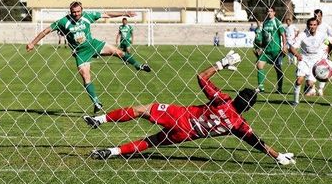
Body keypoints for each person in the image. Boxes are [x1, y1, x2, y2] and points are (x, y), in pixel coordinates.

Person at [83, 51, 296, 166]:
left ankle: (100, 120)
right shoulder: (238, 124)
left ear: (238, 95)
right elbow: (257, 143)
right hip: (185, 135)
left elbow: (200, 77)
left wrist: (221, 64)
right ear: (248, 109)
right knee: (151, 142)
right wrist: (277, 155)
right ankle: (112, 152)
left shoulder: (222, 100)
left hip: (180, 115)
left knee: (142, 109)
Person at [26, 1, 151, 114]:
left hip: (93, 45)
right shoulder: (63, 22)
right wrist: (33, 43)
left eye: (78, 11)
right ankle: (96, 102)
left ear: (82, 10)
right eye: (74, 12)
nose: (76, 14)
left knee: (118, 52)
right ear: (70, 12)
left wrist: (125, 13)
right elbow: (46, 31)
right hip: (81, 53)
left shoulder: (87, 16)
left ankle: (138, 65)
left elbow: (106, 14)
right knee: (86, 77)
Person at [289, 17, 332, 106]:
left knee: (310, 83)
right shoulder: (302, 35)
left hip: (315, 62)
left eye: (314, 25)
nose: (312, 26)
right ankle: (295, 101)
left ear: (317, 26)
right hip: (304, 60)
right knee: (299, 81)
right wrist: (297, 55)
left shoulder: (322, 35)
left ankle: (309, 86)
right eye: (310, 25)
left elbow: (329, 44)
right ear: (307, 25)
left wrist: (328, 54)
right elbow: (292, 48)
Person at [255, 7, 287, 93]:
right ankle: (261, 87)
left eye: (271, 11)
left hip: (276, 50)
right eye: (268, 11)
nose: (269, 13)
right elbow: (262, 37)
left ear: (274, 13)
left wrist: (284, 46)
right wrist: (260, 48)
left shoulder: (277, 22)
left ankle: (279, 88)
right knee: (259, 65)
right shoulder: (265, 23)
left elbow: (283, 34)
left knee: (278, 69)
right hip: (266, 50)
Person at [314, 9, 332, 96]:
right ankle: (311, 87)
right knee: (314, 67)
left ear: (321, 16)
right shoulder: (313, 25)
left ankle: (320, 89)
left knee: (322, 68)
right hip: (314, 51)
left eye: (318, 16)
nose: (317, 18)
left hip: (323, 51)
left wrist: (330, 48)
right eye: (315, 16)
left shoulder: (326, 26)